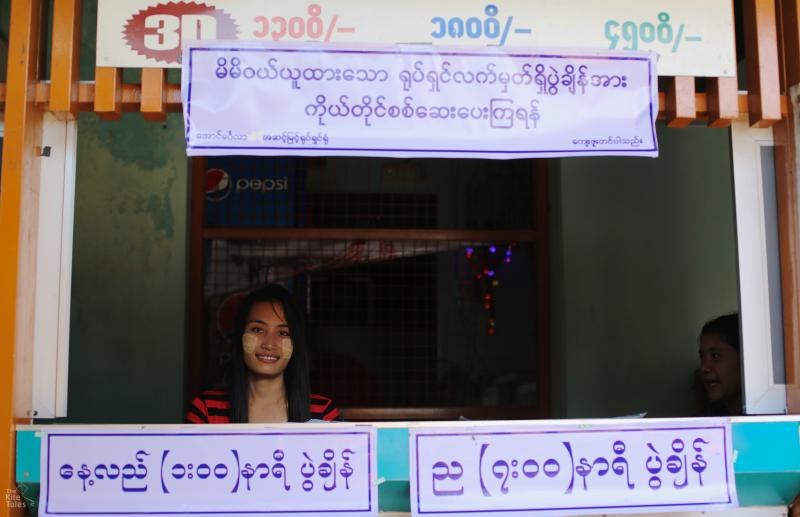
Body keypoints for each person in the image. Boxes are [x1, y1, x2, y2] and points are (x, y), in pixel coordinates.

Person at [186, 284, 339, 423]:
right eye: (258, 330)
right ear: (240, 336)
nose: (269, 344)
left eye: (283, 333)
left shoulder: (323, 413)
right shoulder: (206, 410)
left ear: (296, 343)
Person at [696, 313, 742, 417]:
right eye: (702, 357)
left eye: (715, 356)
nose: (703, 368)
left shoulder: (775, 420)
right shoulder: (704, 424)